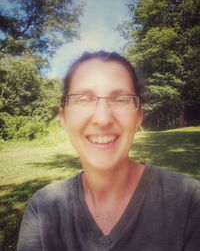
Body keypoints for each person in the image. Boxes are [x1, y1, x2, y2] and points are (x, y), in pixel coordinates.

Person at [17, 51, 200, 251]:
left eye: (120, 99)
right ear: (64, 117)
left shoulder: (191, 202)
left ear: (139, 116)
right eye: (84, 98)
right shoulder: (43, 208)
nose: (103, 119)